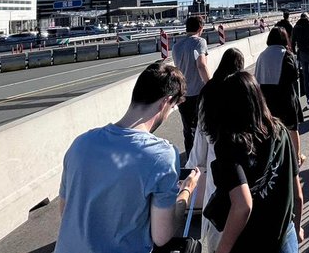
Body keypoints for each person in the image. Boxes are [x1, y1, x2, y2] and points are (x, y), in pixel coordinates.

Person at [56, 61, 201, 252]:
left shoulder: (81, 143)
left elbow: (65, 212)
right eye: (172, 107)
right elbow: (162, 235)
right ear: (165, 102)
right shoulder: (161, 156)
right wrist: (187, 191)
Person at [200, 71, 305, 253]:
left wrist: (222, 250)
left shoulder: (229, 145)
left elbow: (243, 205)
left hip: (251, 241)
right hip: (284, 236)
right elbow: (297, 194)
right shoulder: (280, 131)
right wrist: (296, 227)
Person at [189, 48, 246, 253]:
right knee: (241, 205)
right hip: (241, 159)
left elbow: (201, 137)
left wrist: (193, 168)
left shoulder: (208, 91)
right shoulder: (241, 89)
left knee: (217, 213)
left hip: (216, 162)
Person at [255, 27, 305, 166]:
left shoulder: (262, 55)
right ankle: (297, 157)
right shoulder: (286, 55)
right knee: (292, 128)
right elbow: (294, 76)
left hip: (266, 98)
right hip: (285, 96)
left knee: (272, 130)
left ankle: (274, 159)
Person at [172, 15, 210, 157]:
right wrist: (210, 84)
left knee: (188, 129)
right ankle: (203, 157)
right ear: (200, 28)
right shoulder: (200, 42)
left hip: (182, 94)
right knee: (203, 126)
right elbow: (201, 65)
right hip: (198, 92)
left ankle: (190, 158)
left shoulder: (176, 46)